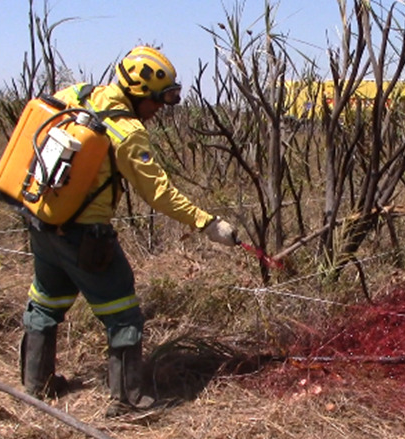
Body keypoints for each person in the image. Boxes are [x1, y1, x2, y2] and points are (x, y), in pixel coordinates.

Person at [17, 45, 239, 417]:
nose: (158, 111)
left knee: (46, 302)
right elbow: (158, 192)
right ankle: (129, 401)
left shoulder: (77, 95)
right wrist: (207, 222)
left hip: (41, 220)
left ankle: (34, 385)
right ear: (138, 95)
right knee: (123, 315)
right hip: (86, 238)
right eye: (157, 102)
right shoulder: (127, 132)